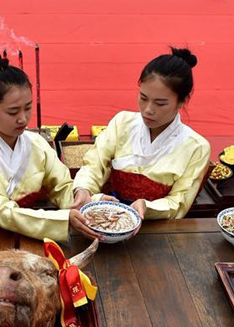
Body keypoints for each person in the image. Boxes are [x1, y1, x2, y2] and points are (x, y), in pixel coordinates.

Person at [0, 51, 99, 242]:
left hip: (32, 232)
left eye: (28, 107)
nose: (23, 118)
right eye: (13, 111)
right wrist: (60, 220)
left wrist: (86, 202)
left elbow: (61, 186)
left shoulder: (37, 143)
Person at [72, 47, 211, 221]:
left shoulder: (196, 147)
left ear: (182, 101)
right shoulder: (122, 122)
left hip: (157, 228)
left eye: (160, 104)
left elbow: (179, 203)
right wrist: (84, 188)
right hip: (107, 217)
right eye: (143, 98)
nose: (148, 110)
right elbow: (94, 164)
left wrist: (148, 207)